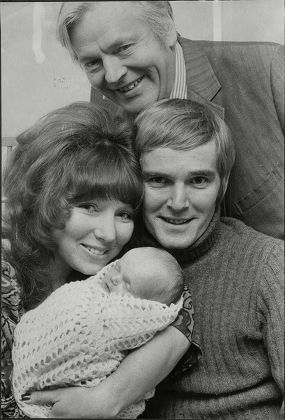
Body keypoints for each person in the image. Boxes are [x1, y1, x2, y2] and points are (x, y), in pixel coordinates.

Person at [1, 101, 197, 418]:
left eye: (123, 214)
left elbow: (180, 314)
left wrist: (106, 399)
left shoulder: (119, 273)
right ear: (42, 196)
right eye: (89, 207)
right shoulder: (6, 274)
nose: (108, 233)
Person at [56, 1, 284, 240]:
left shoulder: (270, 70)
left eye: (123, 48)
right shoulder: (102, 117)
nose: (113, 76)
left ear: (166, 29)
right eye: (93, 62)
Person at [13, 247, 184, 418]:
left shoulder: (128, 320)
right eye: (118, 267)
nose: (115, 278)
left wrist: (105, 398)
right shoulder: (94, 285)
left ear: (146, 307)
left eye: (128, 285)